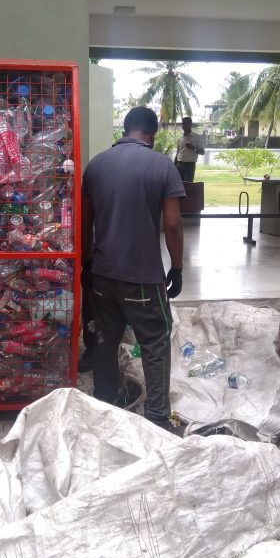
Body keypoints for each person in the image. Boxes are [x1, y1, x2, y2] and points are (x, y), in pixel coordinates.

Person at [81, 106, 185, 431]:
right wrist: (177, 267)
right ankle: (157, 417)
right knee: (155, 343)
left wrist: (87, 263)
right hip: (143, 278)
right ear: (152, 134)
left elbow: (85, 222)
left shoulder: (96, 165)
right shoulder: (162, 165)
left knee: (105, 340)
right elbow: (173, 225)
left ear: (125, 129)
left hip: (102, 274)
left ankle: (104, 403)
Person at [174, 116, 205, 182]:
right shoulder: (180, 139)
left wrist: (193, 148)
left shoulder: (197, 137)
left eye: (186, 123)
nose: (183, 126)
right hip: (179, 165)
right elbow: (178, 153)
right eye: (182, 124)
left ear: (190, 124)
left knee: (188, 185)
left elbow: (202, 152)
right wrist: (174, 165)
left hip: (189, 166)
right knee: (177, 185)